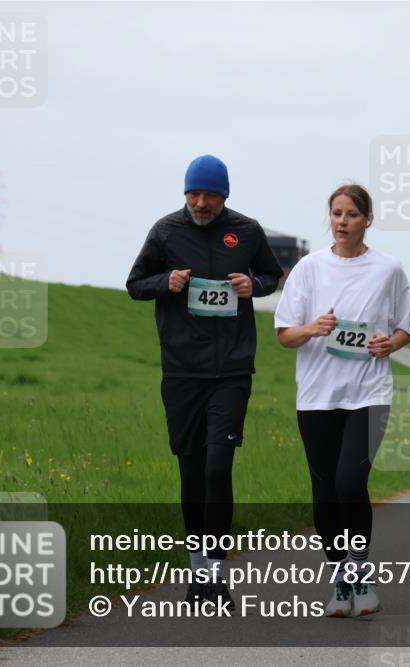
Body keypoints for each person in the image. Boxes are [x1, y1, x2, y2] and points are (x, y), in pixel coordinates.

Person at [126, 154, 284, 607]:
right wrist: (167, 281)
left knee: (218, 466)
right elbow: (135, 284)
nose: (199, 202)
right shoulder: (165, 231)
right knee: (191, 471)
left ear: (224, 195)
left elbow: (272, 275)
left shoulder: (248, 231)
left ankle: (215, 574)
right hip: (181, 369)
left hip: (232, 367)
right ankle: (198, 574)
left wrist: (255, 284)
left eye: (209, 194)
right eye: (193, 193)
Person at [274, 184, 410, 618]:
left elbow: (405, 327)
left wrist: (390, 344)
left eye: (352, 214)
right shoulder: (309, 268)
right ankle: (339, 581)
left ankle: (360, 575)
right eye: (336, 213)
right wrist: (314, 329)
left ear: (367, 219)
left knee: (349, 485)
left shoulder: (389, 269)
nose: (342, 221)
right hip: (317, 395)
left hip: (369, 392)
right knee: (324, 492)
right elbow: (284, 335)